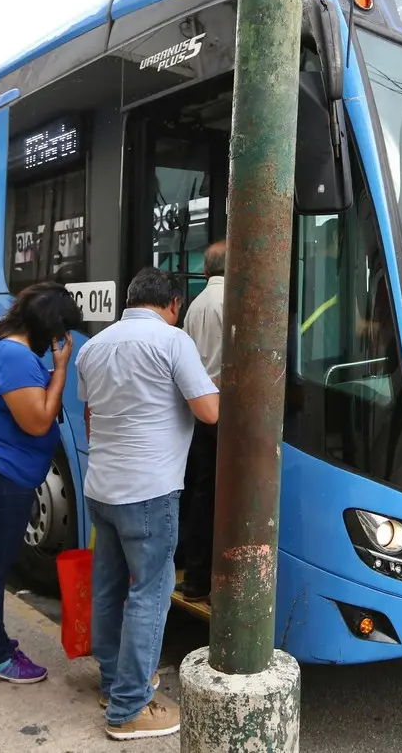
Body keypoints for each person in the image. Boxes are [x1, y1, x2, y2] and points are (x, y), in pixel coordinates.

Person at [76, 267, 219, 741]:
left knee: (109, 588)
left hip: (101, 488)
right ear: (174, 304)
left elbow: (92, 416)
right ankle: (129, 708)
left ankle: (114, 683)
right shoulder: (172, 341)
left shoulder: (93, 347)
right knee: (150, 594)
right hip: (149, 491)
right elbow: (209, 410)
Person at [0, 282, 82, 684]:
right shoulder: (14, 356)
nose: (61, 340)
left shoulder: (0, 343)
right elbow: (38, 420)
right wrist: (61, 369)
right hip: (2, 472)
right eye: (62, 331)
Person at [177, 241, 225, 602]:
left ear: (206, 271)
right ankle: (221, 585)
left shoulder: (194, 305)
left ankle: (195, 579)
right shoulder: (236, 301)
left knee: (200, 494)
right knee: (227, 501)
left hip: (198, 407)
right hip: (227, 411)